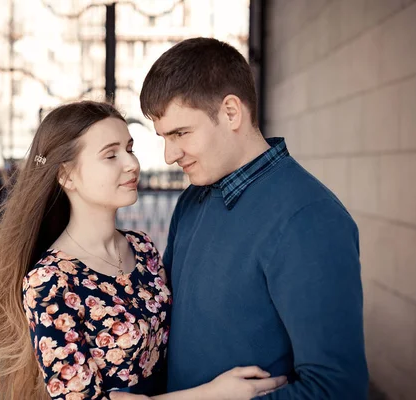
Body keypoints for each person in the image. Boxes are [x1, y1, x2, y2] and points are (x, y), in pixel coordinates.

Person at [0, 100, 286, 400]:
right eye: (111, 155)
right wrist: (215, 394)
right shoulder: (49, 281)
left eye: (130, 149)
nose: (131, 164)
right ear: (66, 175)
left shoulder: (142, 248)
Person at [113, 38, 368, 399]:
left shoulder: (310, 219)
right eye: (164, 137)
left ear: (231, 112)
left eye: (181, 133)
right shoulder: (193, 199)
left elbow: (337, 390)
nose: (170, 155)